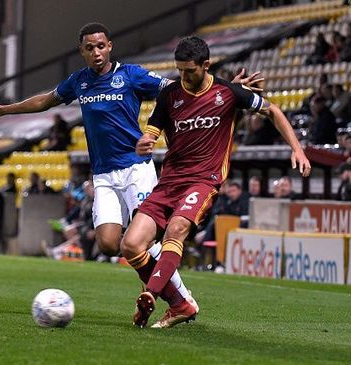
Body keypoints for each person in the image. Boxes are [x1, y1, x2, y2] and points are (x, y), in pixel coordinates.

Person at [0, 22, 262, 310]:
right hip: (103, 174)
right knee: (109, 244)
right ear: (82, 51)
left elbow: (178, 88)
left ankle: (179, 298)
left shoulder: (131, 75)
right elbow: (45, 101)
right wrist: (3, 110)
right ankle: (165, 290)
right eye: (90, 48)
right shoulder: (79, 82)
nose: (96, 52)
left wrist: (230, 90)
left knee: (145, 239)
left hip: (135, 168)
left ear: (110, 46)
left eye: (101, 46)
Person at [121, 36, 311, 329]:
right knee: (131, 245)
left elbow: (272, 110)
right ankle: (180, 305)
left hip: (203, 181)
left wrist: (297, 149)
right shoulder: (170, 95)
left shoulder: (228, 92)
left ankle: (152, 293)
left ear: (206, 65)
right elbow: (150, 134)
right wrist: (143, 143)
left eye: (190, 71)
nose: (183, 76)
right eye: (180, 70)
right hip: (169, 183)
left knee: (177, 229)